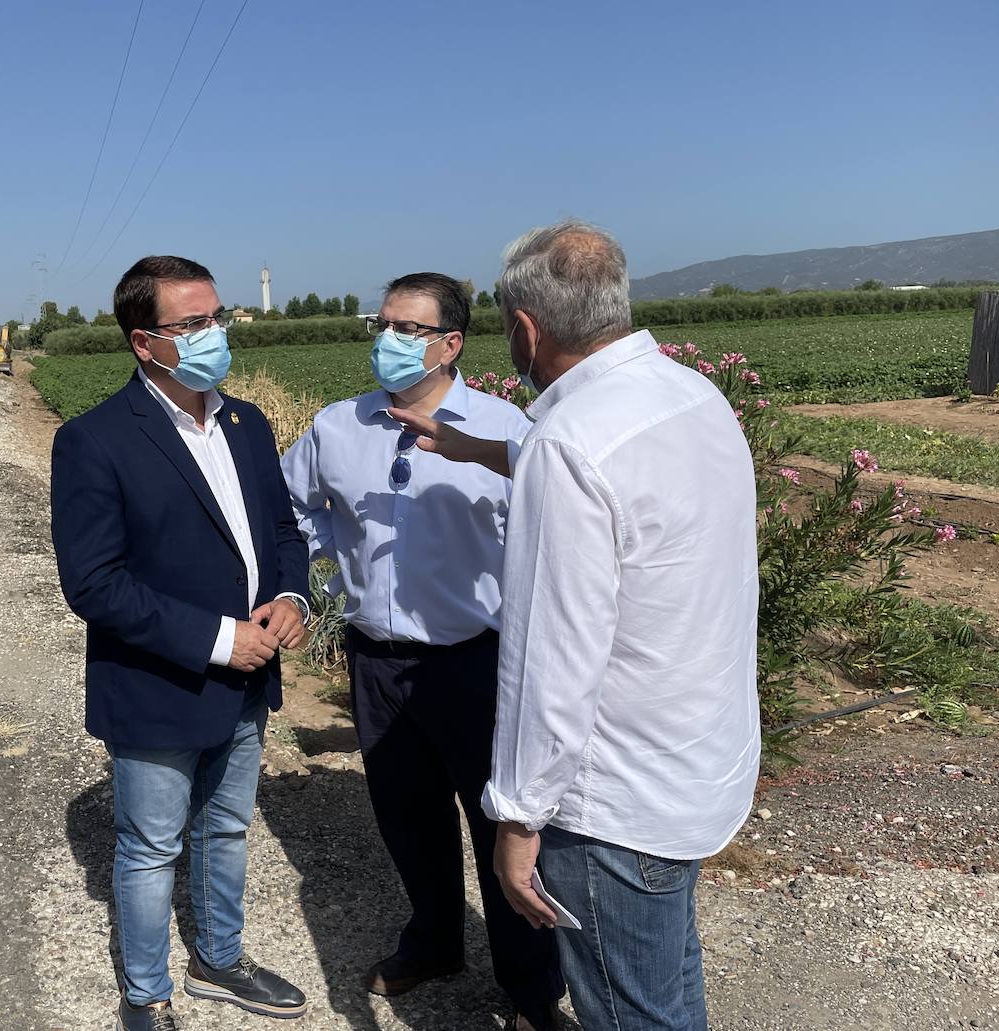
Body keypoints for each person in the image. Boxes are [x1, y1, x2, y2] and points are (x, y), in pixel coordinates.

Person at [391, 221, 761, 1031]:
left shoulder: (568, 442)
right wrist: (479, 448)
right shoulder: (691, 395)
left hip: (611, 804)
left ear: (526, 329)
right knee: (664, 985)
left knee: (629, 1013)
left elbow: (551, 660)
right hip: (697, 764)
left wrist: (516, 820)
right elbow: (616, 484)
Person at [281, 273, 566, 1030]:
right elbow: (293, 506)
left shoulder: (508, 430)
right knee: (408, 818)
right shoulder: (337, 427)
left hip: (478, 661)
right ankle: (435, 940)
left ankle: (530, 989)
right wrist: (323, 569)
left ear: (451, 343)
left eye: (409, 328)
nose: (390, 340)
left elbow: (558, 531)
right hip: (377, 661)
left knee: (501, 827)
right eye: (383, 324)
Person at [50, 255, 312, 1031]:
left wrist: (293, 597)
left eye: (217, 317)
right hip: (159, 684)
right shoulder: (95, 441)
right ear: (144, 342)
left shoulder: (247, 422)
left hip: (248, 675)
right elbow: (94, 583)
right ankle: (145, 995)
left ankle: (219, 960)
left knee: (227, 829)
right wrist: (217, 638)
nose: (214, 334)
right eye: (192, 324)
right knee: (150, 848)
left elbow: (281, 531)